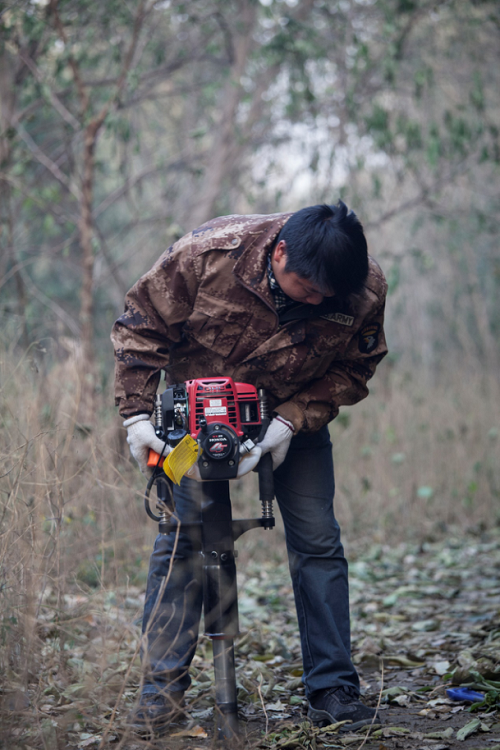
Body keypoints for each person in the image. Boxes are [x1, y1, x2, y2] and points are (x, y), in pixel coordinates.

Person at [111, 201, 388, 733]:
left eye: (327, 297)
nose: (317, 300)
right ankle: (158, 697)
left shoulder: (363, 287)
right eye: (307, 289)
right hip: (193, 422)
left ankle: (333, 688)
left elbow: (357, 366)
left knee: (318, 541)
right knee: (182, 540)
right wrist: (136, 417)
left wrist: (287, 423)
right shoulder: (207, 256)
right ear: (280, 251)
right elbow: (139, 326)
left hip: (291, 418)